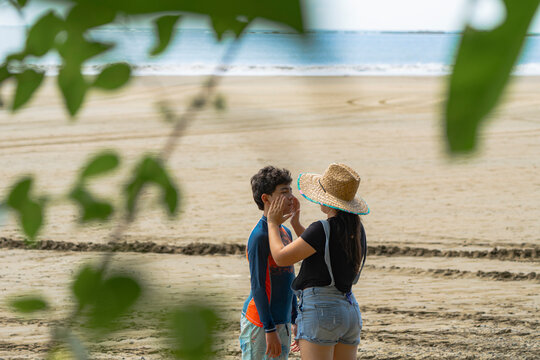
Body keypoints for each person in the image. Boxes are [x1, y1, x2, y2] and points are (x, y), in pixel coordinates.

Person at [266, 163, 369, 360]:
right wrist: (296, 224)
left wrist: (272, 223)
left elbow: (281, 257)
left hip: (321, 310)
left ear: (329, 200)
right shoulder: (356, 229)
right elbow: (322, 250)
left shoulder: (322, 228)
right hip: (349, 310)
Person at [240, 166, 299, 359]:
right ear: (266, 198)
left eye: (291, 191)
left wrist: (295, 318)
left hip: (282, 322)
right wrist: (269, 329)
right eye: (284, 192)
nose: (291, 197)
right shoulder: (259, 236)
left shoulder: (285, 232)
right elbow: (258, 286)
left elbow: (290, 278)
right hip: (261, 323)